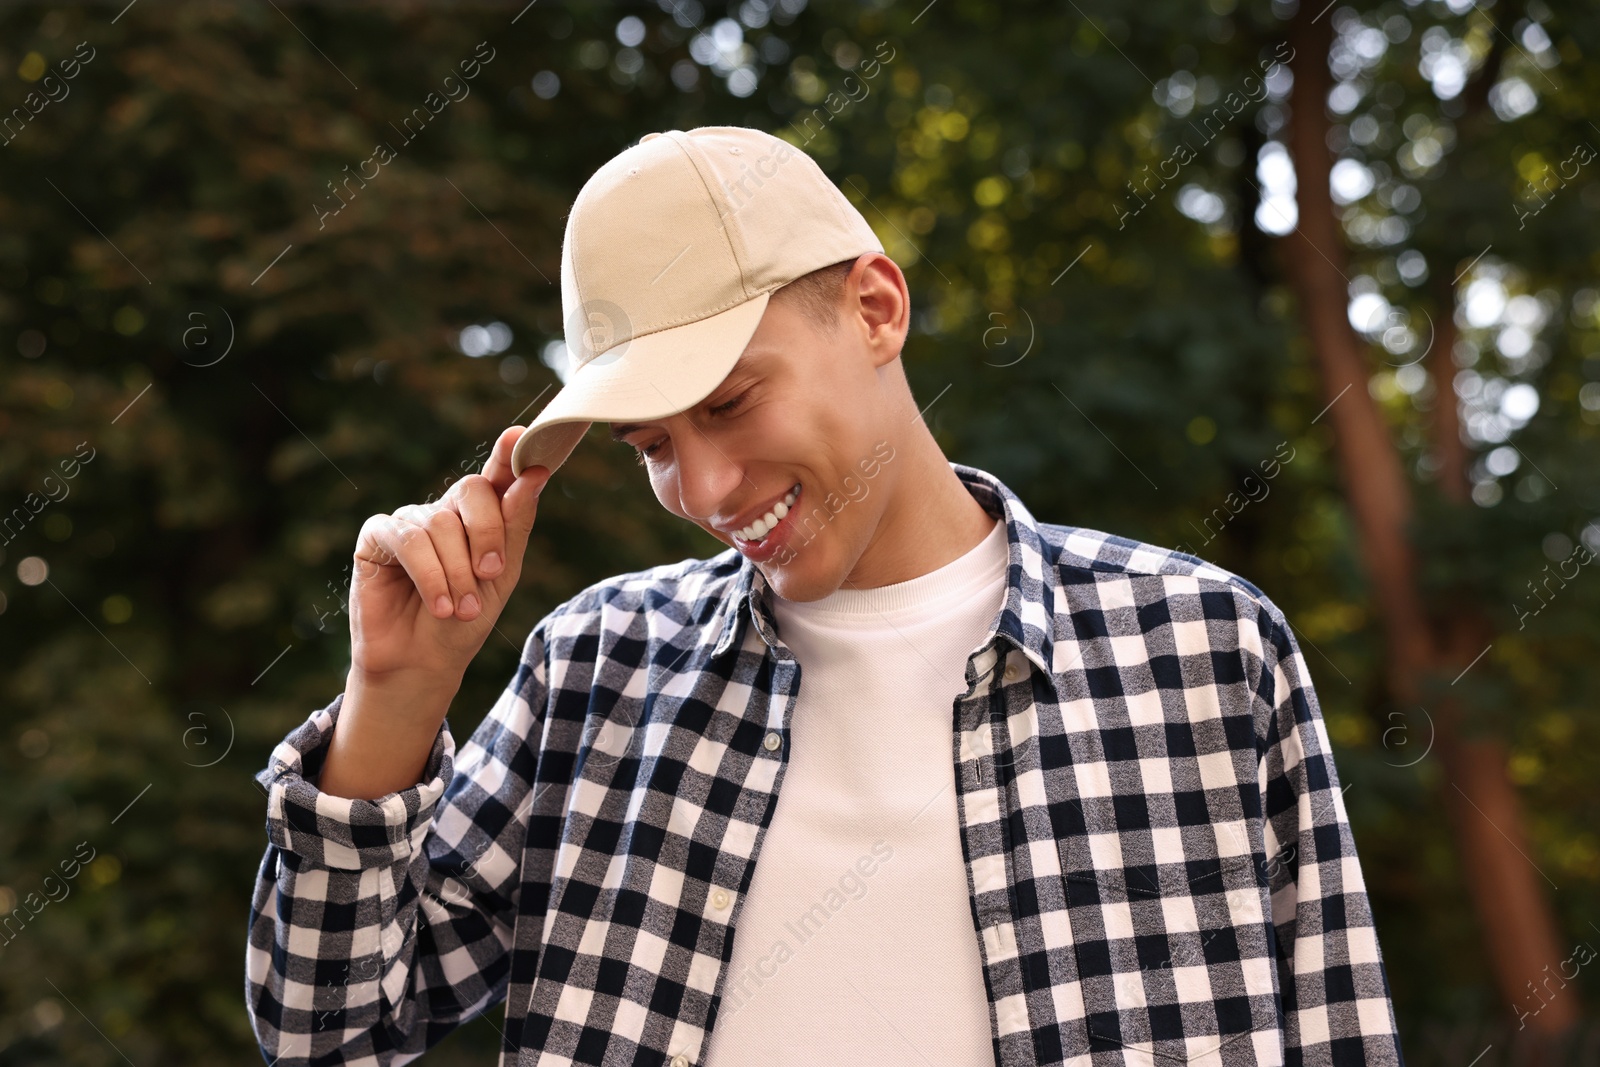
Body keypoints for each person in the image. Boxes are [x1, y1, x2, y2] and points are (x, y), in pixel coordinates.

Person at [245, 125, 1404, 1067]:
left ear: (876, 310)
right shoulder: (595, 668)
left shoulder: (1199, 647)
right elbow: (329, 1031)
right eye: (651, 443)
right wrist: (393, 700)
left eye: (732, 401)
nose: (700, 488)